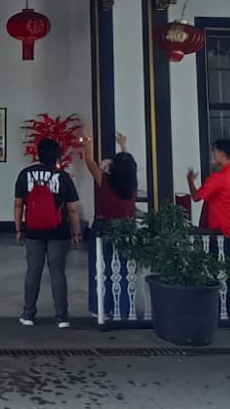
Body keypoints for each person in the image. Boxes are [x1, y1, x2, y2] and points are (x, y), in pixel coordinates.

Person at [14, 137, 82, 328]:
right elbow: (72, 209)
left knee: (33, 271)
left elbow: (19, 204)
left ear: (38, 154)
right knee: (57, 272)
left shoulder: (25, 174)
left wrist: (19, 228)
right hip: (58, 231)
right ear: (57, 156)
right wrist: (77, 233)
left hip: (33, 230)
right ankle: (62, 317)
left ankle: (28, 314)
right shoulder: (63, 177)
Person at [80, 130, 138, 318]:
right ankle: (122, 307)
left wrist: (87, 138)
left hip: (103, 228)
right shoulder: (132, 187)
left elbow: (89, 160)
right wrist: (123, 145)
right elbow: (127, 166)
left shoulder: (105, 182)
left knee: (100, 269)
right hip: (125, 230)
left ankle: (100, 308)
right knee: (122, 270)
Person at [186, 139, 230, 237]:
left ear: (221, 153)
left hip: (219, 233)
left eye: (214, 151)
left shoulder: (218, 178)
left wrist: (190, 181)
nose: (213, 155)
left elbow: (196, 197)